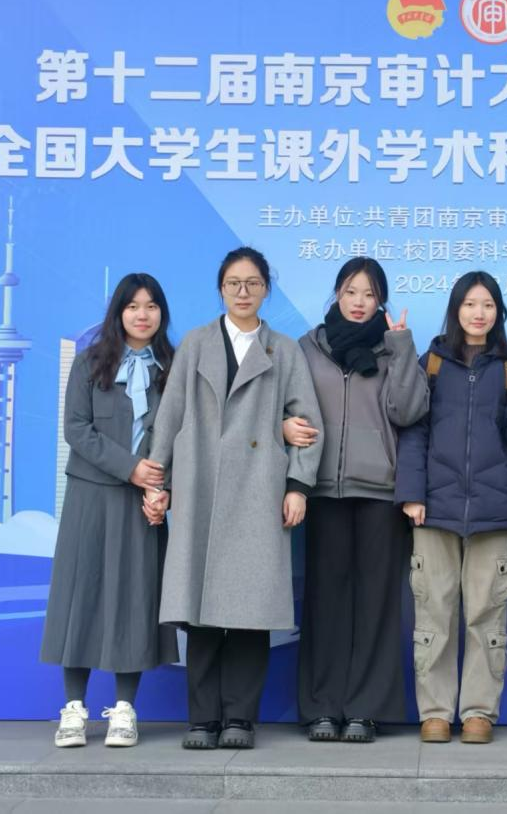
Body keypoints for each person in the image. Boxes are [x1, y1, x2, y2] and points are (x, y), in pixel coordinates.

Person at [145, 246, 323, 751]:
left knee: (249, 613)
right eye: (233, 284)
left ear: (266, 289)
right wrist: (159, 482)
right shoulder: (196, 344)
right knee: (200, 612)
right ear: (221, 289)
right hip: (200, 484)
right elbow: (170, 417)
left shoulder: (283, 350)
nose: (243, 292)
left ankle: (240, 719)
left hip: (258, 491)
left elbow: (308, 425)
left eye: (253, 283)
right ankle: (203, 720)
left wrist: (298, 486)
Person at [396, 271, 507, 744]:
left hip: (495, 510)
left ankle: (479, 712)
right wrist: (412, 494)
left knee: (486, 616)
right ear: (455, 309)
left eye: (488, 305)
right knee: (433, 614)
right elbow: (413, 431)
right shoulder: (432, 363)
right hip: (434, 508)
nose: (479, 314)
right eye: (469, 304)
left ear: (499, 311)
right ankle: (435, 713)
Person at [287, 257, 429, 743]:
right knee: (324, 602)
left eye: (369, 294)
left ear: (381, 301)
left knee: (376, 604)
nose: (359, 302)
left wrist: (402, 348)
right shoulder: (307, 347)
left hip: (380, 491)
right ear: (337, 294)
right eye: (351, 292)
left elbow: (409, 412)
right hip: (322, 488)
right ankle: (322, 707)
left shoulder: (393, 348)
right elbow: (283, 405)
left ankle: (365, 710)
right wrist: (283, 427)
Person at [40, 273, 180, 748]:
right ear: (118, 312)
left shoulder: (173, 368)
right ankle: (73, 709)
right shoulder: (90, 362)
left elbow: (184, 435)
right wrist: (131, 468)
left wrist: (163, 488)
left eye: (151, 306)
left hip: (145, 502)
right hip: (92, 496)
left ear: (162, 313)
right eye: (133, 306)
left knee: (133, 598)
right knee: (81, 596)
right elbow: (77, 429)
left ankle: (124, 709)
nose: (143, 315)